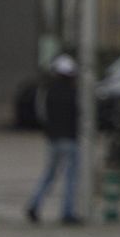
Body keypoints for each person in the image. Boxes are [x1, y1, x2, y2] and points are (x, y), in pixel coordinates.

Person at [25, 54, 82, 225]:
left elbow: (42, 114)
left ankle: (34, 204)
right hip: (70, 138)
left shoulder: (47, 91)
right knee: (70, 177)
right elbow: (80, 114)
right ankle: (67, 212)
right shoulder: (74, 92)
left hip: (53, 138)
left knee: (49, 175)